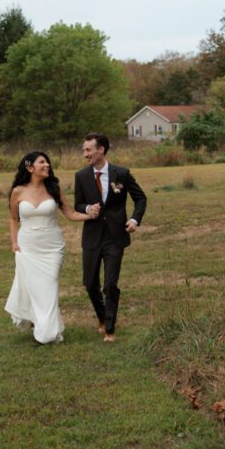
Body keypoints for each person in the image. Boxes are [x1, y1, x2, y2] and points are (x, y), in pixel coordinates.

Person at [5, 151, 97, 344]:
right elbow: (13, 219)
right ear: (30, 168)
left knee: (49, 287)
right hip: (27, 247)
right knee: (32, 288)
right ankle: (41, 325)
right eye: (42, 162)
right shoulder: (18, 191)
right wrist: (14, 242)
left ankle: (46, 332)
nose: (47, 165)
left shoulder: (54, 188)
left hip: (52, 248)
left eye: (47, 162)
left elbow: (70, 213)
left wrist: (89, 215)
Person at [74, 132, 147, 342]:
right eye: (84, 150)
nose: (84, 154)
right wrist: (88, 208)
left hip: (115, 237)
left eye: (88, 150)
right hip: (91, 237)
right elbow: (78, 204)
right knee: (89, 283)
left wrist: (134, 220)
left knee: (110, 285)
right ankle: (102, 317)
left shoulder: (121, 174)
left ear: (101, 150)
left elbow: (141, 199)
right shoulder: (81, 176)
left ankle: (110, 329)